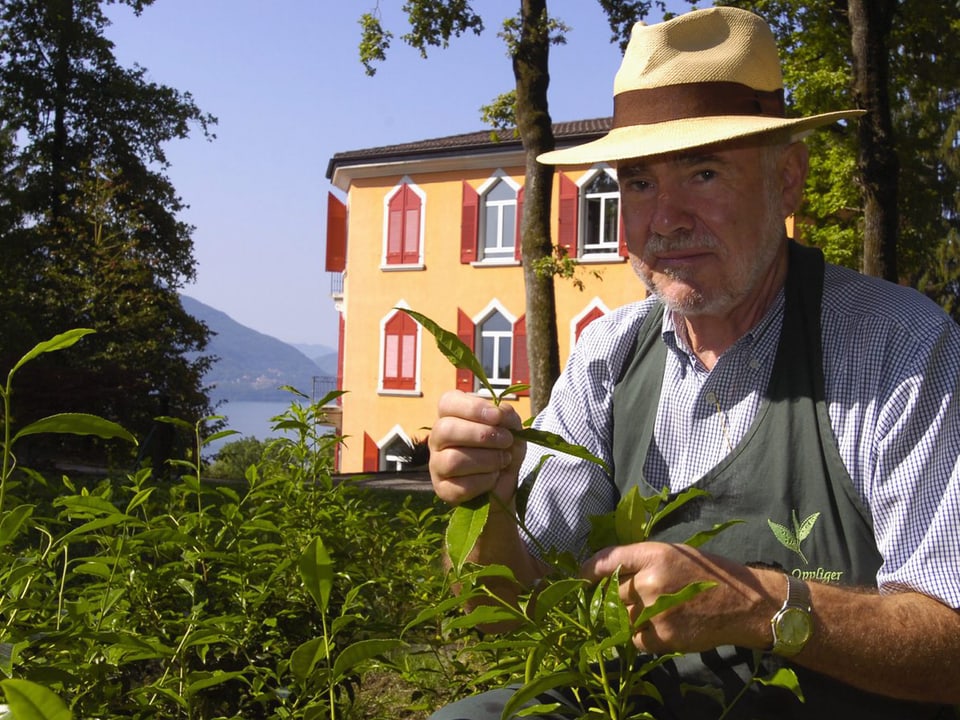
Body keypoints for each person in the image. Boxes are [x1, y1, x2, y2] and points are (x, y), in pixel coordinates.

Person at [427, 6, 960, 720]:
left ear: (788, 181)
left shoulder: (897, 349)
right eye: (638, 183)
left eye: (703, 173)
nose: (664, 217)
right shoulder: (608, 359)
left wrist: (759, 604)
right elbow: (500, 615)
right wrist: (482, 510)